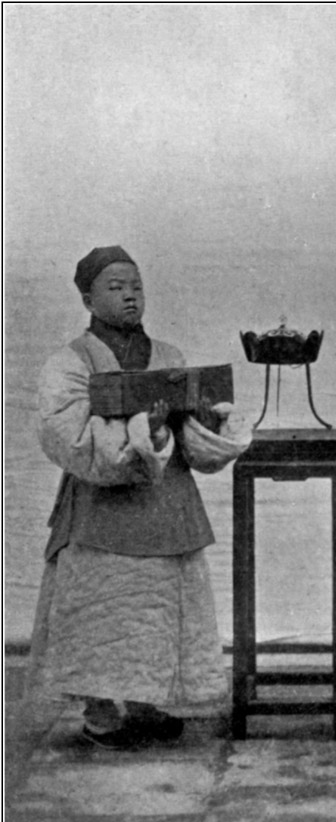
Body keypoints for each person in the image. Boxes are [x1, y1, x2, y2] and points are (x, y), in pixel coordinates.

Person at [26, 245, 249, 749]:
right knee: (97, 613)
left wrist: (204, 419)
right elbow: (67, 436)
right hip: (99, 513)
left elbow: (193, 443)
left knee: (156, 611)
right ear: (87, 299)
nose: (130, 296)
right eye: (115, 287)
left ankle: (148, 702)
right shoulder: (68, 363)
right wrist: (143, 430)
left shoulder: (169, 357)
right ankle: (101, 712)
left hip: (167, 506)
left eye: (136, 286)